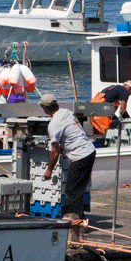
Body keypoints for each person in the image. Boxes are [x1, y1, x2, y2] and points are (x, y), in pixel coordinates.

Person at [40, 93, 96, 223]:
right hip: (90, 151)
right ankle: (78, 217)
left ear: (45, 108)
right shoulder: (66, 112)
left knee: (72, 190)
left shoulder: (53, 124)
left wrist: (49, 170)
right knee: (78, 188)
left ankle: (76, 220)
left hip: (81, 155)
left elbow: (54, 151)